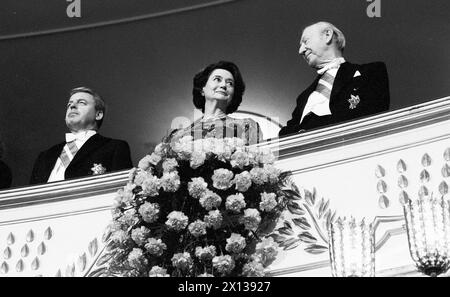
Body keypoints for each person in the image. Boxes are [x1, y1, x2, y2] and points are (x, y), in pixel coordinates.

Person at [279, 21, 390, 137]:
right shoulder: (303, 98)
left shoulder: (372, 72)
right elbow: (284, 135)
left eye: (305, 41)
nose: (300, 50)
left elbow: (372, 118)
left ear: (327, 35)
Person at [30, 87, 133, 184]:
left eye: (82, 103)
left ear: (98, 114)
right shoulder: (44, 156)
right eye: (69, 104)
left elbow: (122, 191)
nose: (72, 106)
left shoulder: (114, 147)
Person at [166, 61, 263, 145]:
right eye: (217, 79)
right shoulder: (179, 135)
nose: (224, 85)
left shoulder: (247, 127)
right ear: (202, 88)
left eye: (230, 83)